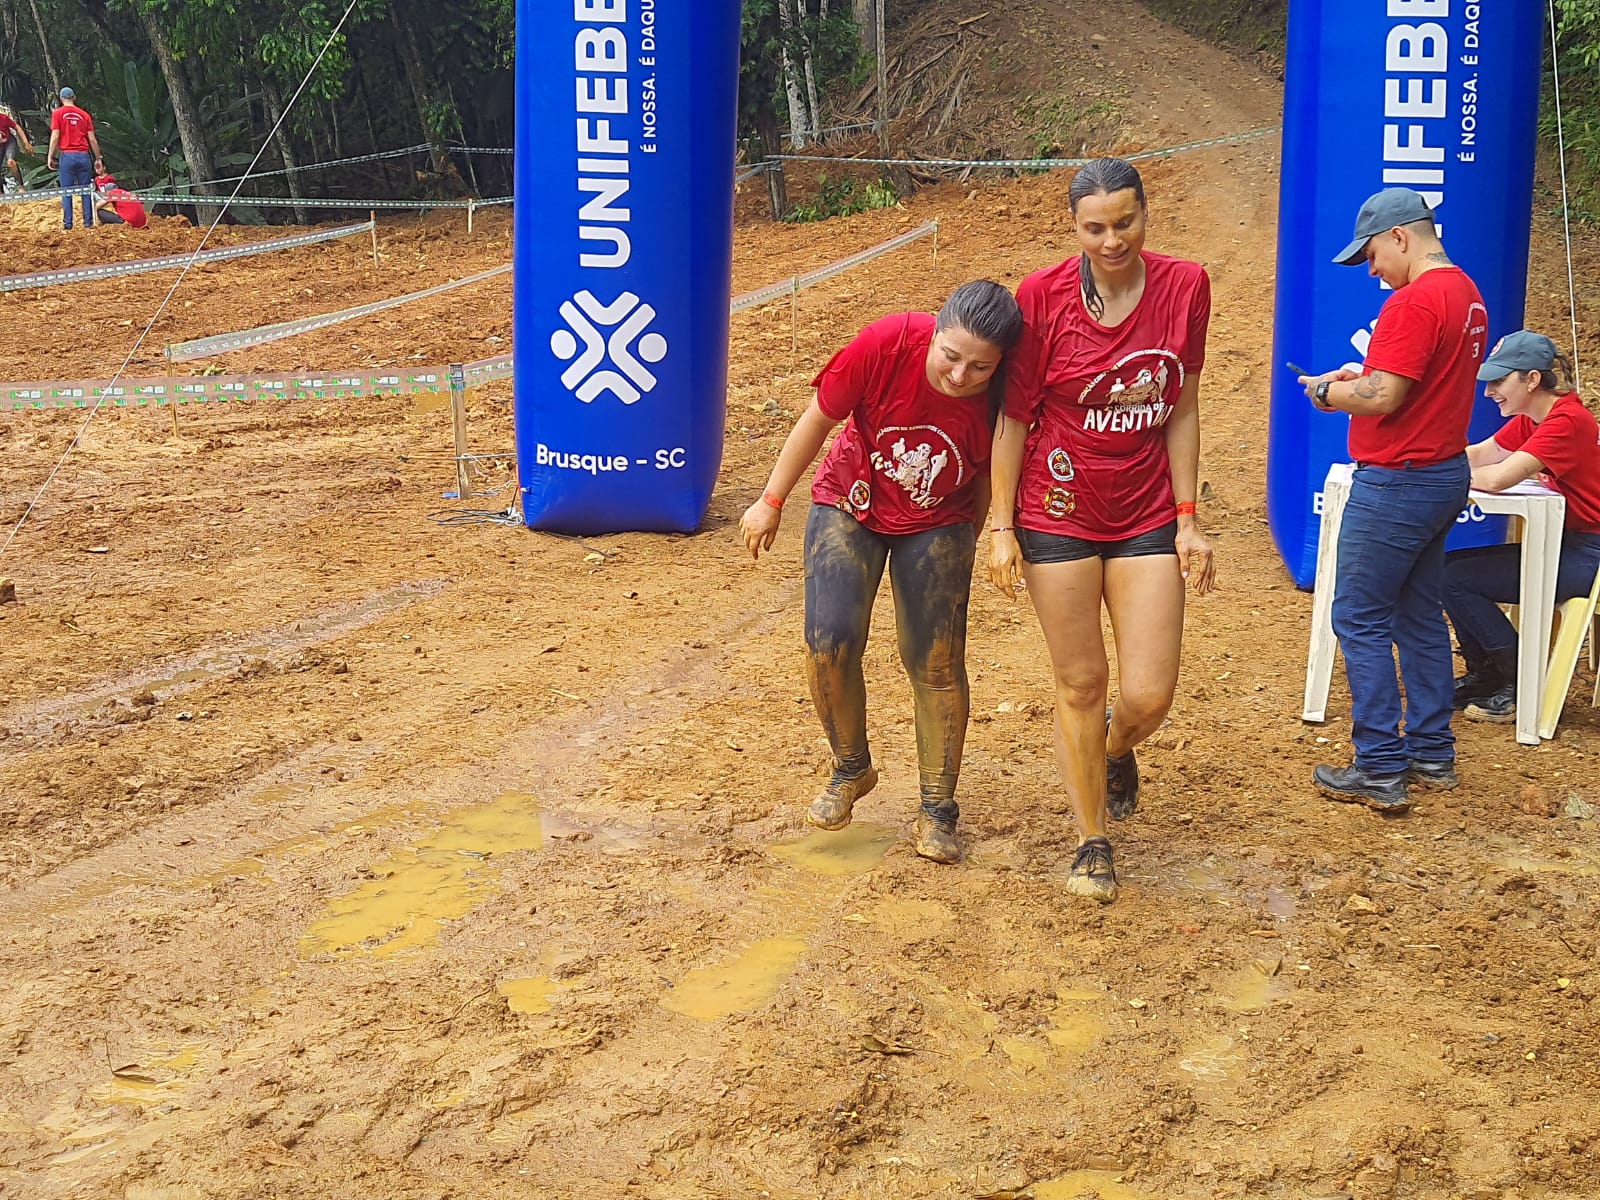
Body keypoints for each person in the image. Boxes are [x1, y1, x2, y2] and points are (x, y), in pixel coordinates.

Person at [988, 157, 1216, 905]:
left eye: (1125, 222)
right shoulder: (1043, 297)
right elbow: (1014, 417)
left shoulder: (1185, 286)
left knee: (1148, 694)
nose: (1111, 239)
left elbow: (1180, 407)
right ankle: (1092, 841)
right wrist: (1001, 526)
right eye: (1095, 228)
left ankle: (1115, 749)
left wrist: (1189, 520)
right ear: (1074, 228)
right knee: (1081, 682)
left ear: (1145, 214)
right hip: (1057, 507)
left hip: (1146, 507)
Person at [739, 281, 1024, 864]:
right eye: (950, 356)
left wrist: (991, 531)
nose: (960, 376)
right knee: (830, 640)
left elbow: (1004, 457)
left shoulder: (1003, 388)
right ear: (934, 330)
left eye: (979, 367)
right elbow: (818, 420)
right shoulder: (886, 344)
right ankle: (850, 767)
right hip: (853, 499)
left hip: (941, 515)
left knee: (935, 660)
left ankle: (937, 807)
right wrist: (770, 499)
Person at [1298, 187, 1487, 811]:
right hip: (1441, 471)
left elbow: (1383, 397)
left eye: (1373, 254)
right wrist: (1365, 382)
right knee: (1418, 613)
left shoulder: (1415, 301)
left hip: (1399, 479)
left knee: (1357, 616)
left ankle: (1379, 763)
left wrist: (1327, 391)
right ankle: (1431, 751)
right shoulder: (1466, 294)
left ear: (1401, 237)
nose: (1373, 270)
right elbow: (1407, 383)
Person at [1445, 331, 1600, 723]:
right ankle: (1488, 674)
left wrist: (1434, 473)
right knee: (1447, 572)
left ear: (1532, 379)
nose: (1489, 392)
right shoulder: (1537, 417)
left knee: (1454, 579)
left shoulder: (1565, 420)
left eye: (1499, 381)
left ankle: (1518, 681)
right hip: (1572, 544)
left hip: (1590, 555)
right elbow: (1482, 455)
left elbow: (1496, 477)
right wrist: (1420, 461)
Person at [45, 87, 105, 230]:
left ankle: (68, 224)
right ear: (74, 97)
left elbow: (55, 136)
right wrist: (98, 158)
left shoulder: (58, 114)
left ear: (61, 99)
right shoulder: (84, 115)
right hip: (83, 155)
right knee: (86, 190)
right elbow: (92, 139)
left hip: (67, 156)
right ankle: (88, 223)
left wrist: (50, 156)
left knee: (66, 191)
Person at [0, 103, 33, 194]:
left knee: (10, 162)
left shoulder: (3, 118)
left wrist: (26, 143)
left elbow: (17, 127)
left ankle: (20, 186)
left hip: (9, 142)